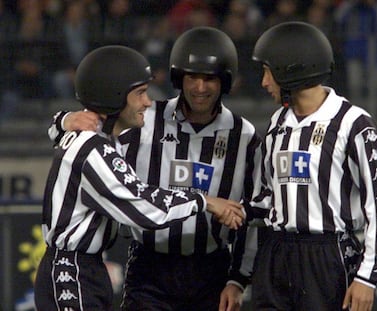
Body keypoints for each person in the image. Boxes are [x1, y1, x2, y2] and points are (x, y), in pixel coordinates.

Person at [48, 26, 263, 311]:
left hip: (213, 271)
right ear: (178, 77)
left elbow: (251, 213)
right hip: (150, 269)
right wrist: (64, 120)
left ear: (224, 81)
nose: (200, 87)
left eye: (209, 78)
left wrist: (237, 280)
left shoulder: (243, 135)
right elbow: (89, 134)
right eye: (192, 77)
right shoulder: (145, 118)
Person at [244, 21, 377, 311]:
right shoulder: (277, 123)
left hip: (329, 258)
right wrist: (238, 210)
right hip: (276, 254)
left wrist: (368, 276)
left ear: (290, 69)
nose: (264, 82)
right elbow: (271, 196)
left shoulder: (355, 124)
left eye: (267, 71)